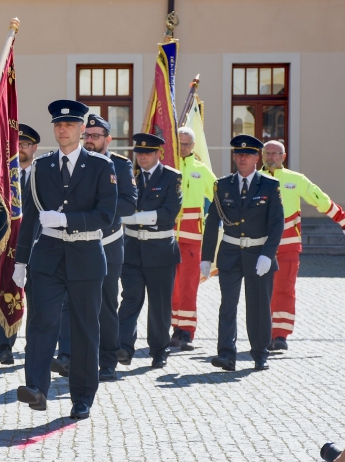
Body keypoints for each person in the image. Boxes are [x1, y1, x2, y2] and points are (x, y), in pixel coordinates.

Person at [14, 100, 117, 420]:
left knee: (85, 329)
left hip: (85, 254)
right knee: (41, 322)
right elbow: (30, 217)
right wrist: (20, 260)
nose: (63, 130)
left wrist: (67, 219)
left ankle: (83, 396)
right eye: (58, 125)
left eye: (70, 125)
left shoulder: (101, 167)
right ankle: (36, 388)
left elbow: (106, 215)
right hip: (47, 256)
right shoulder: (41, 167)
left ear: (82, 129)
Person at [53, 113, 137, 381]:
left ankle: (108, 359)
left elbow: (128, 205)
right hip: (74, 243)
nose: (89, 140)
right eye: (87, 135)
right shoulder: (73, 163)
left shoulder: (121, 166)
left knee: (106, 304)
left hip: (107, 243)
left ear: (108, 139)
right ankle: (66, 355)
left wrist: (97, 209)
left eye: (95, 136)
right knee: (68, 301)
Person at [201, 134, 284, 372]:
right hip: (230, 252)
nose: (242, 158)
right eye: (239, 154)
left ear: (257, 158)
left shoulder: (269, 186)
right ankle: (226, 354)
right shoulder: (222, 185)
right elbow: (212, 221)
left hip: (259, 253)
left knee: (258, 305)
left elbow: (277, 223)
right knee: (228, 304)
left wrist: (268, 254)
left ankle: (260, 353)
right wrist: (207, 257)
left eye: (247, 154)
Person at [260, 140, 345, 351]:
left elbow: (320, 199)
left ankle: (280, 335)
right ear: (262, 155)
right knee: (261, 291)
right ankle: (261, 332)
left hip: (288, 245)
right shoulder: (253, 178)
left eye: (275, 153)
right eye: (268, 153)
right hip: (259, 246)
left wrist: (342, 220)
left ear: (283, 156)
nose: (271, 157)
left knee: (285, 289)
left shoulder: (295, 180)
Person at [116, 133, 182, 369]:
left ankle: (159, 349)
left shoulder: (171, 177)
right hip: (132, 248)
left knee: (159, 304)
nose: (142, 157)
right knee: (130, 298)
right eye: (139, 153)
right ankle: (123, 347)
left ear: (158, 154)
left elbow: (169, 212)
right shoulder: (130, 177)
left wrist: (134, 217)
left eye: (147, 153)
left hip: (160, 250)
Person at [0, 123, 39, 366]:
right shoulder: (3, 180)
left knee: (38, 299)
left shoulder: (44, 173)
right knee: (6, 290)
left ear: (34, 148)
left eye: (25, 145)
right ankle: (4, 346)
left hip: (38, 245)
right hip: (9, 245)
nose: (21, 149)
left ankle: (35, 348)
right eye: (17, 145)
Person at [170, 126, 216, 350]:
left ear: (193, 145)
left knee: (189, 285)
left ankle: (186, 331)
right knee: (171, 286)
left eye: (187, 144)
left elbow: (219, 197)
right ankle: (173, 327)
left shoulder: (201, 170)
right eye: (179, 143)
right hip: (167, 236)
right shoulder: (168, 166)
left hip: (192, 238)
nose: (183, 147)